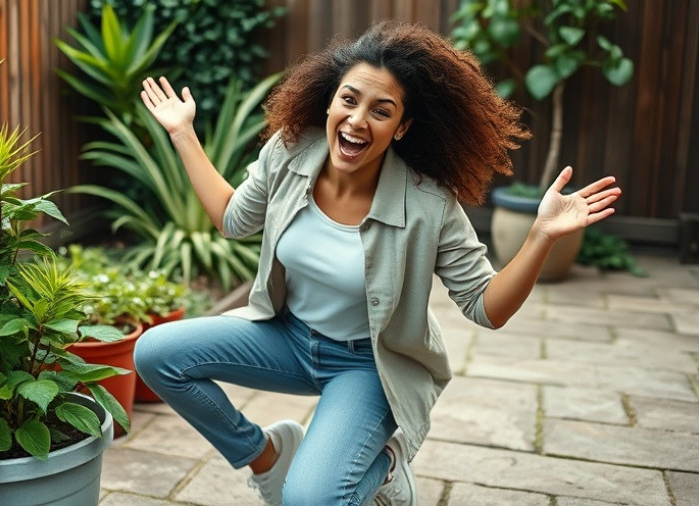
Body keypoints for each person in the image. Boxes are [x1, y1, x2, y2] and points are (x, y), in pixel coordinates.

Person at [134, 20, 620, 506]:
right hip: (288, 338)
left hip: (368, 365)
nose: (357, 120)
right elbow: (233, 218)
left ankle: (387, 467)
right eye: (349, 100)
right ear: (329, 100)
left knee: (310, 500)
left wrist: (539, 237)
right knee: (156, 353)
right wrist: (183, 133)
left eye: (380, 111)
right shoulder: (289, 153)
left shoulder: (429, 204)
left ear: (402, 126)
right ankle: (267, 458)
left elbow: (485, 307)